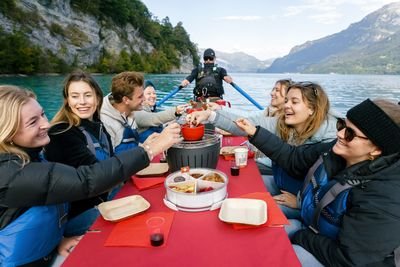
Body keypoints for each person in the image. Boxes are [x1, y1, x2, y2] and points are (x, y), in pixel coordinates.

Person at [0, 85, 181, 266]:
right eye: (32, 122)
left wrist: (57, 243)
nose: (45, 124)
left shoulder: (33, 155)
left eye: (42, 114)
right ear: (6, 132)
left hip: (46, 251)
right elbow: (85, 180)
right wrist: (149, 150)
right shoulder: (10, 173)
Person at [235, 99, 400, 266]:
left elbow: (349, 259)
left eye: (350, 133)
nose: (340, 134)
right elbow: (295, 159)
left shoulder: (384, 196)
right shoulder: (335, 151)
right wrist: (255, 133)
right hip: (315, 228)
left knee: (280, 256)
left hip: (339, 258)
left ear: (377, 149)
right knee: (260, 236)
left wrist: (301, 236)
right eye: (341, 125)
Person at [188, 82, 338, 219]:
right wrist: (210, 115)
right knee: (237, 187)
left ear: (312, 108)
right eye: (286, 100)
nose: (286, 106)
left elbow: (329, 189)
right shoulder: (283, 125)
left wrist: (300, 201)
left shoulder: (330, 141)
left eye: (294, 102)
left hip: (302, 201)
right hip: (281, 183)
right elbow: (245, 124)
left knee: (254, 213)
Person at [44, 70, 115, 238]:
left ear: (98, 98)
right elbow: (98, 173)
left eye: (87, 95)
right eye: (75, 96)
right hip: (75, 216)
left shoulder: (99, 127)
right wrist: (146, 151)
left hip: (103, 200)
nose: (82, 102)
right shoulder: (61, 133)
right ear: (67, 100)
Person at [100, 71, 186, 154]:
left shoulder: (129, 111)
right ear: (126, 100)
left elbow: (132, 149)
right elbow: (110, 164)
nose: (144, 99)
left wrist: (144, 146)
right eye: (140, 96)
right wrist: (148, 149)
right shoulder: (105, 123)